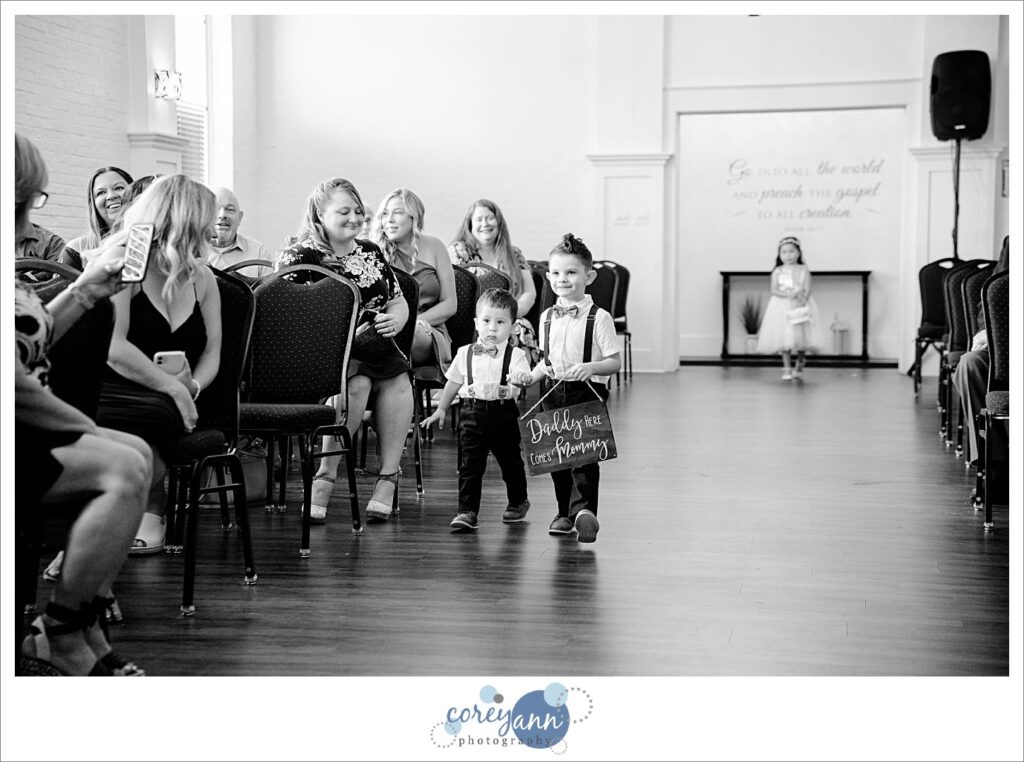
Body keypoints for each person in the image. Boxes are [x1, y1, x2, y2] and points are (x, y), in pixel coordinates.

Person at [15, 133, 152, 676]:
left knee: (139, 450)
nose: (30, 218)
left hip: (27, 423)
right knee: (122, 466)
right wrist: (83, 429)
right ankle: (61, 630)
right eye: (28, 200)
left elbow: (28, 340)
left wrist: (85, 291)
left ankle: (86, 624)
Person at [94, 175, 223, 554]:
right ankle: (139, 511)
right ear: (186, 220)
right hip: (113, 386)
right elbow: (113, 346)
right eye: (207, 220)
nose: (213, 230)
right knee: (158, 411)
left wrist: (191, 388)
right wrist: (171, 388)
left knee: (163, 410)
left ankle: (108, 526)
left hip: (182, 394)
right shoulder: (127, 257)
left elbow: (212, 352)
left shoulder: (202, 277)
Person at [277, 177, 413, 523]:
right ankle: (325, 476)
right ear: (320, 215)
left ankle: (388, 478)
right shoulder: (300, 256)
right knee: (359, 381)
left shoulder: (370, 251)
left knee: (399, 380)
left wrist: (396, 320)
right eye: (344, 211)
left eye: (357, 210)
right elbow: (282, 316)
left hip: (374, 344)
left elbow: (398, 300)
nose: (354, 218)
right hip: (322, 353)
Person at [519, 234, 621, 544]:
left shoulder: (599, 318)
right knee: (557, 458)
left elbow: (614, 362)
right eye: (556, 273)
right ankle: (563, 512)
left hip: (586, 391)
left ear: (588, 277)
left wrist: (591, 367)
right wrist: (530, 378)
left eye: (571, 272)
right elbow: (546, 361)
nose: (562, 279)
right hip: (552, 390)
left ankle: (584, 512)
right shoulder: (547, 317)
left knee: (584, 457)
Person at [421, 288, 532, 531]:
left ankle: (518, 501)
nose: (492, 328)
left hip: (503, 414)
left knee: (511, 462)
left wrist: (521, 380)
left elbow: (523, 379)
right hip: (472, 413)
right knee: (470, 466)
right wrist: (441, 409)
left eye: (500, 322)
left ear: (513, 327)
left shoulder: (516, 355)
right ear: (476, 323)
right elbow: (453, 383)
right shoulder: (464, 353)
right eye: (486, 321)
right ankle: (467, 511)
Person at [369, 188, 456, 369]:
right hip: (388, 327)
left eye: (397, 213)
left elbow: (450, 304)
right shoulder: (374, 251)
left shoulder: (435, 246)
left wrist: (411, 323)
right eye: (385, 214)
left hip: (427, 327)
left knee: (412, 334)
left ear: (413, 217)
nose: (389, 220)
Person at [449, 198, 537, 350]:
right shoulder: (458, 251)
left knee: (521, 327)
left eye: (490, 218)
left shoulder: (514, 253)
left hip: (510, 317)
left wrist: (514, 313)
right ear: (470, 225)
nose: (485, 224)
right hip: (472, 321)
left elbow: (529, 292)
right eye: (479, 220)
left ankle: (520, 367)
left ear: (499, 222)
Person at [952, 235, 1010, 464]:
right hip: (1007, 343)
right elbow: (996, 292)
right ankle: (992, 462)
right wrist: (988, 330)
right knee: (970, 364)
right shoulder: (1013, 242)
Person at [755, 235, 824, 380]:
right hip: (782, 305)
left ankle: (800, 362)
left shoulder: (803, 269)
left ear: (798, 253)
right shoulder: (778, 271)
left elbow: (808, 288)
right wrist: (788, 295)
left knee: (801, 336)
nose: (788, 255)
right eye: (784, 252)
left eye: (792, 251)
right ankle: (786, 368)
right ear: (779, 255)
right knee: (784, 336)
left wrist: (802, 299)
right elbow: (774, 289)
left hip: (801, 303)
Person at [62, 165, 134, 270]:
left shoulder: (152, 242)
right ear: (93, 204)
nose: (111, 196)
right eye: (101, 193)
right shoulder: (77, 249)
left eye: (119, 188)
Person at [206, 186, 274, 278]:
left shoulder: (259, 253)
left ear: (240, 218)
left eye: (230, 209)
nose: (222, 215)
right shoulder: (191, 252)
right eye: (215, 209)